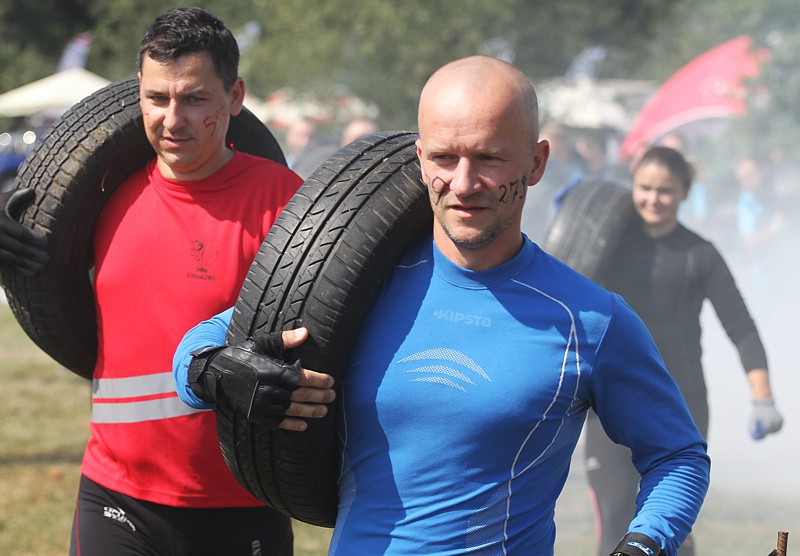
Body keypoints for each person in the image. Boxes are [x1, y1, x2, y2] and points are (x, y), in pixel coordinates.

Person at [174, 56, 710, 556]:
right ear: (419, 158)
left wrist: (644, 544)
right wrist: (214, 372)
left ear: (536, 162)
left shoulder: (590, 319)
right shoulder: (356, 281)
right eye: (444, 158)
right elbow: (196, 353)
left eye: (489, 158)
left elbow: (678, 456)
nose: (464, 183)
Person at [1, 7, 339, 555]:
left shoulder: (286, 202)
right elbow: (47, 282)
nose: (172, 120)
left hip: (240, 501)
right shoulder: (98, 194)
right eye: (157, 98)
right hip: (115, 493)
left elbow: (319, 331)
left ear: (235, 97)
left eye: (195, 99)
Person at [583, 146, 783, 556]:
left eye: (665, 190)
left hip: (679, 406)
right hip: (611, 404)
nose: (653, 198)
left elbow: (742, 329)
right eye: (644, 188)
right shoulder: (607, 245)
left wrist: (763, 399)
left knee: (668, 529)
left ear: (684, 193)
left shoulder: (700, 254)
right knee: (615, 521)